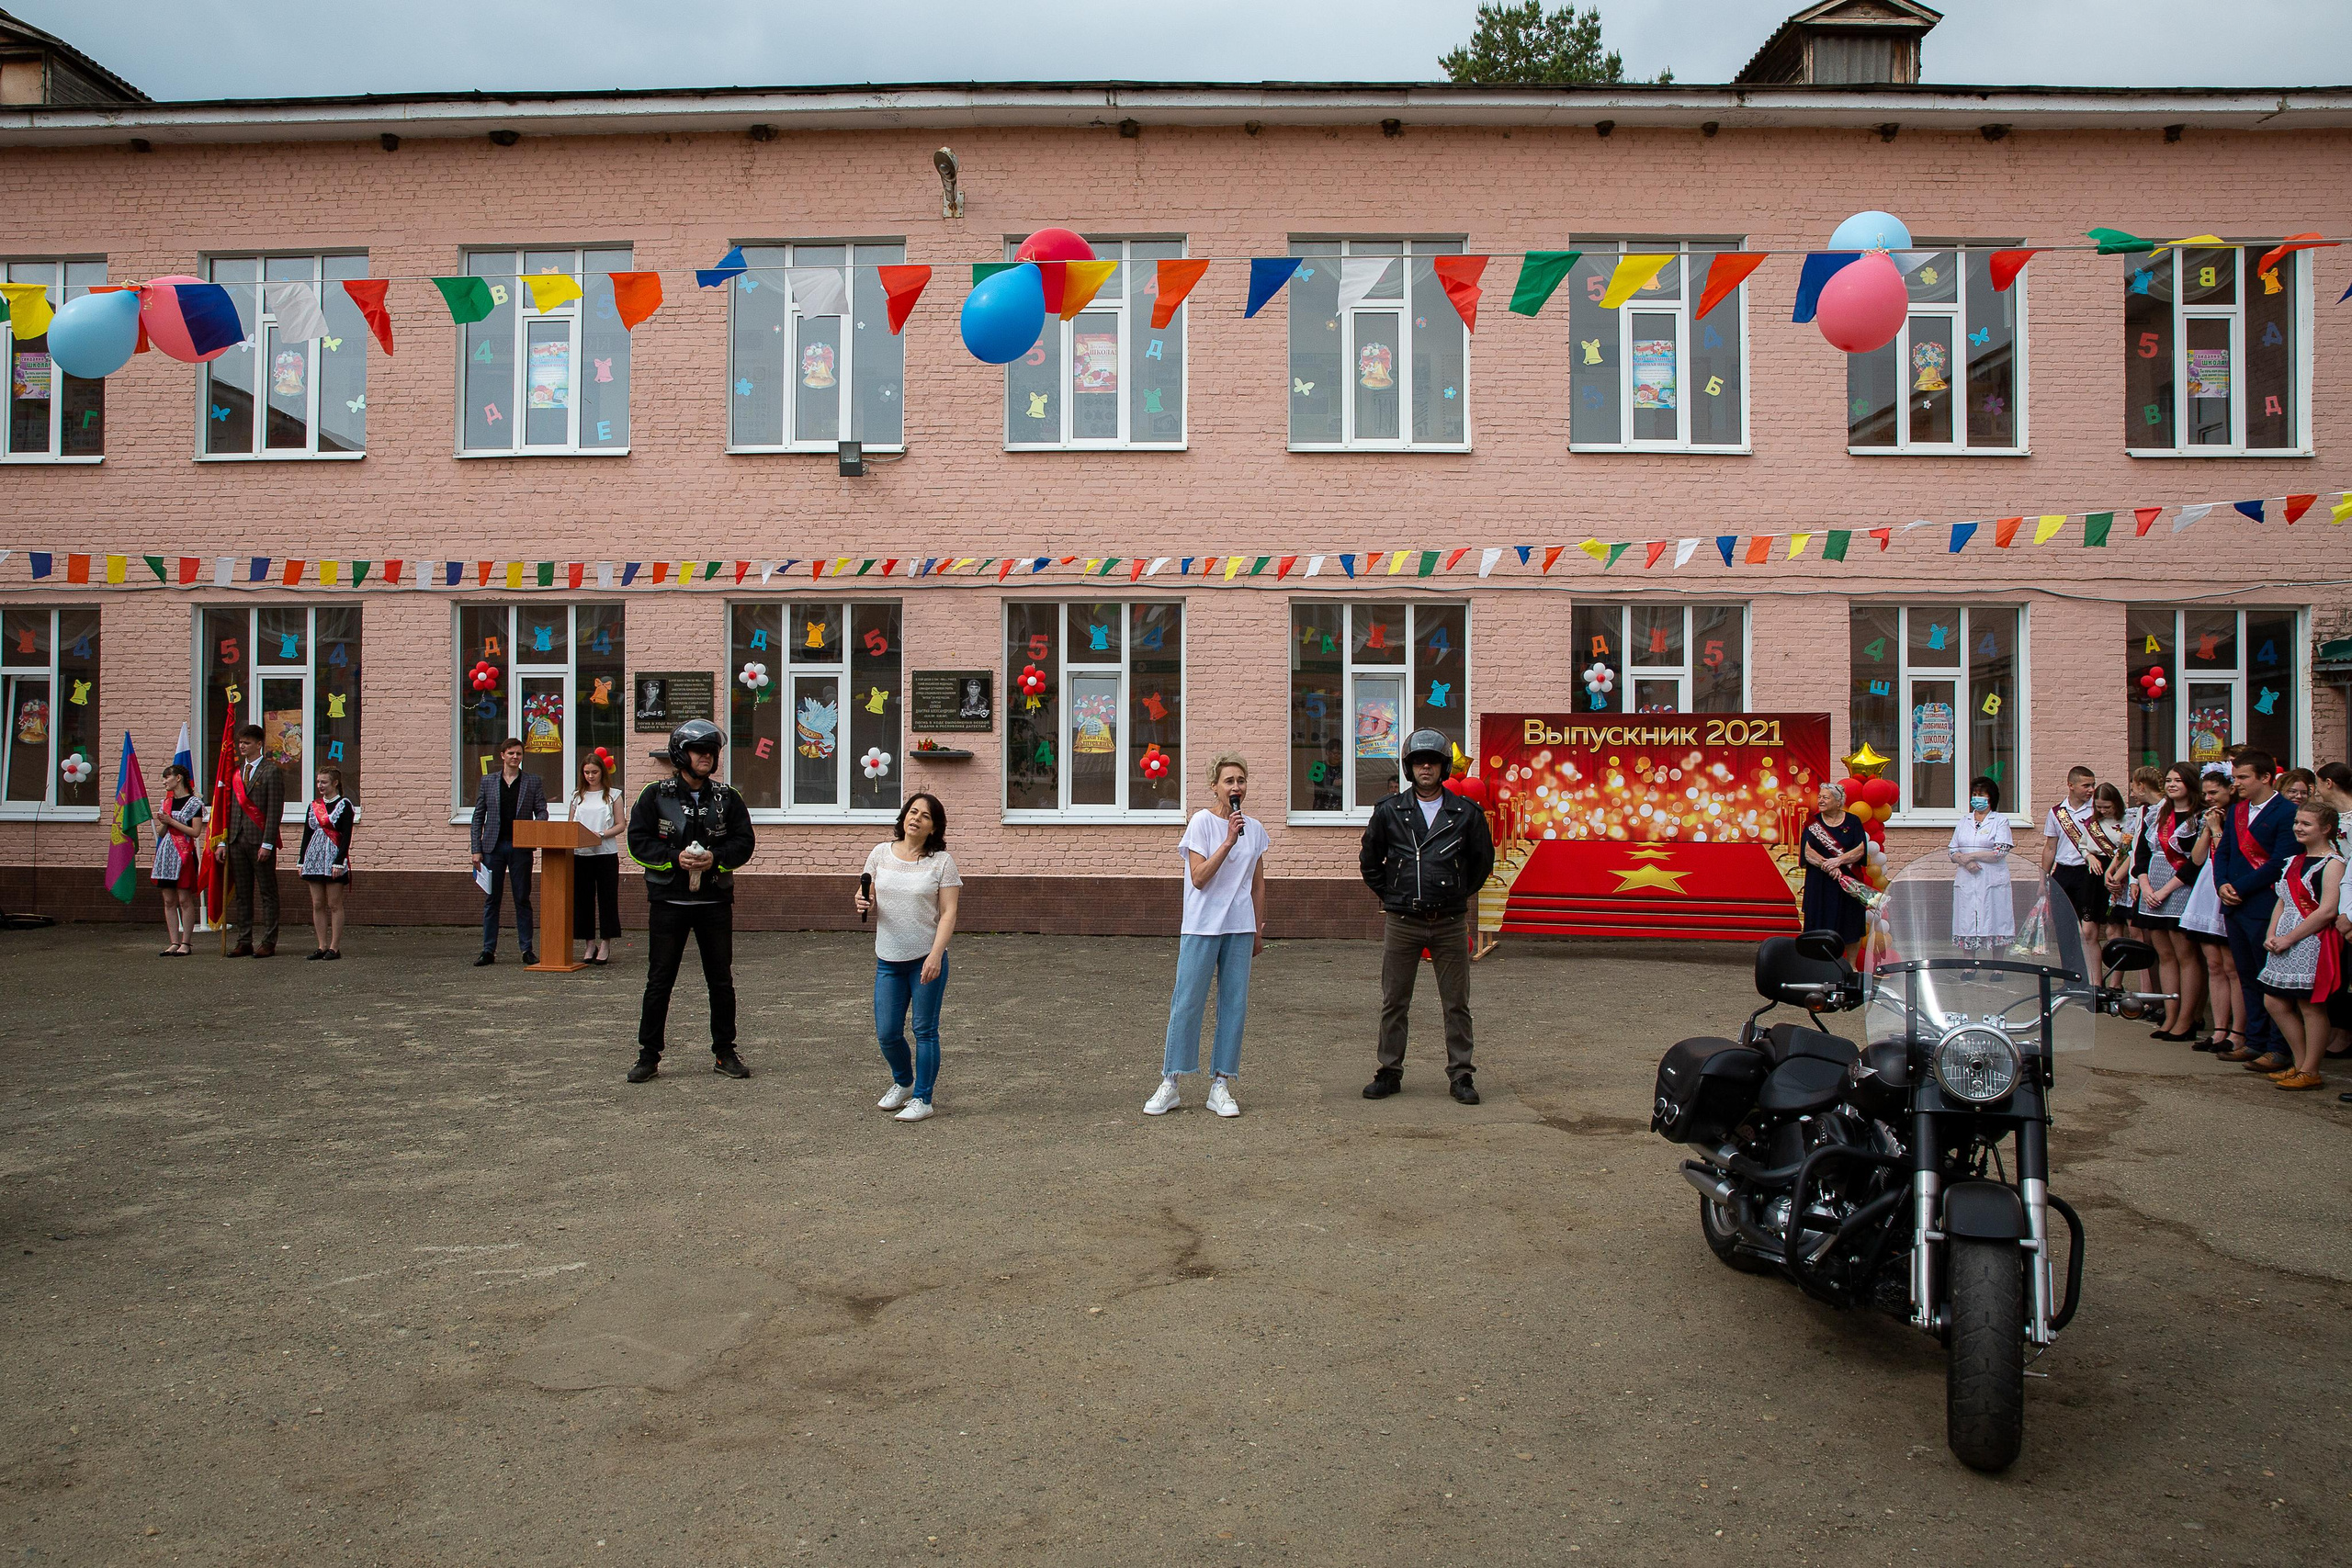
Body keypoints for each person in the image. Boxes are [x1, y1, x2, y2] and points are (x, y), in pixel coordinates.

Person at [1359, 729, 1494, 1104]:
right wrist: (1392, 895)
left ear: (1443, 766)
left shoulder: (1465, 813)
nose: (1425, 768)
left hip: (1450, 922)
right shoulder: (1389, 811)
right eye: (1419, 762)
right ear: (1409, 767)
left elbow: (1482, 863)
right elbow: (1370, 861)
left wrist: (1454, 894)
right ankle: (1389, 1071)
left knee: (1456, 1002)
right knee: (1394, 1000)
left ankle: (1462, 1075)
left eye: (1432, 762)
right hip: (1403, 923)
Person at [626, 719, 755, 1082]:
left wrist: (716, 858)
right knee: (659, 980)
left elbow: (744, 842)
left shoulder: (728, 797)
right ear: (681, 754)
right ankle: (648, 1056)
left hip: (714, 903)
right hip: (668, 902)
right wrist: (672, 857)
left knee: (721, 981)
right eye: (700, 750)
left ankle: (724, 1053)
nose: (708, 756)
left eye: (712, 751)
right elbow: (637, 842)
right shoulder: (655, 794)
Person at [1148, 753, 1267, 1119]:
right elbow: (1199, 878)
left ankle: (1221, 1084)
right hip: (1201, 926)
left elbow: (1258, 886)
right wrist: (1228, 841)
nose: (1236, 788)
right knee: (1187, 1002)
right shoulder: (1201, 822)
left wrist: (1259, 929)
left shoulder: (1256, 829)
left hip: (1239, 927)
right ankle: (1171, 1082)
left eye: (1241, 781)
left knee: (1234, 1005)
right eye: (1229, 781)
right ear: (1214, 785)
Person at [856, 792, 962, 1122]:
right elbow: (866, 892)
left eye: (925, 816)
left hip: (925, 959)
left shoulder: (942, 862)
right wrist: (862, 901)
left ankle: (923, 1099)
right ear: (904, 817)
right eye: (912, 812)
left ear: (934, 827)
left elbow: (948, 913)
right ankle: (903, 1082)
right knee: (887, 1032)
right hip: (888, 959)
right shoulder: (879, 853)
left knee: (924, 1030)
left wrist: (935, 955)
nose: (916, 818)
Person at [2213, 750, 2301, 1073]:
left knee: (2271, 979)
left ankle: (2278, 1048)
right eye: (2234, 778)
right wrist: (2222, 883)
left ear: (2265, 777)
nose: (2236, 784)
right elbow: (2222, 852)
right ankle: (2255, 1041)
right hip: (2235, 905)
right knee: (2248, 977)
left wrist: (2241, 887)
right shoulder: (2236, 810)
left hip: (2264, 905)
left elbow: (2281, 862)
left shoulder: (2286, 812)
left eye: (2242, 778)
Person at [2256, 803, 2342, 1091]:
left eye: (2306, 823)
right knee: (2274, 1002)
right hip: (2283, 939)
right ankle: (2300, 1063)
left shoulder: (2334, 863)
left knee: (2310, 1006)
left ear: (2326, 828)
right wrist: (2272, 933)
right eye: (2297, 822)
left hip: (2311, 940)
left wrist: (2290, 938)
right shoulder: (2293, 860)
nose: (2298, 827)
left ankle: (2311, 1070)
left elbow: (2327, 910)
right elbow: (2282, 901)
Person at [2133, 761, 2207, 1043]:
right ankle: (2170, 1015)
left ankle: (2186, 1019)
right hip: (2153, 887)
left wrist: (2165, 890)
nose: (2173, 784)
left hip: (2180, 889)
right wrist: (2146, 884)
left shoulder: (2199, 816)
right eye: (2169, 780)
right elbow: (2141, 852)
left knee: (2185, 955)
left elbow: (2194, 864)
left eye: (2178, 780)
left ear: (2190, 784)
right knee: (2164, 955)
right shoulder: (2156, 813)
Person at [2179, 766, 2242, 1055]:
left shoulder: (2240, 817)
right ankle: (2218, 1030)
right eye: (2205, 793)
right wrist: (2207, 827)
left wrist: (2217, 829)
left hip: (2227, 885)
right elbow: (2197, 857)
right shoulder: (2209, 817)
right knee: (2214, 965)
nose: (2208, 798)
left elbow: (2227, 854)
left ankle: (2237, 1032)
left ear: (2231, 789)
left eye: (2214, 792)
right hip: (2206, 889)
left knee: (2232, 967)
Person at [469, 737, 547, 966]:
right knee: (492, 899)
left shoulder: (532, 782)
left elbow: (542, 810)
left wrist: (536, 827)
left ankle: (527, 949)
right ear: (502, 755)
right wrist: (476, 849)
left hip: (520, 847)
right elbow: (477, 817)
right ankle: (488, 950)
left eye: (519, 754)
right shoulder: (488, 781)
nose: (515, 757)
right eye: (511, 753)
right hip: (493, 847)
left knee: (522, 898)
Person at [216, 723, 285, 957]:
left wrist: (268, 843)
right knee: (243, 893)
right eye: (240, 743)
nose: (242, 746)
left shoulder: (271, 771)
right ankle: (244, 940)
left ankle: (268, 941)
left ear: (259, 744)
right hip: (236, 838)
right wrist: (224, 841)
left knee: (267, 892)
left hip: (259, 840)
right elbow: (227, 808)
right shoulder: (234, 772)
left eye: (246, 742)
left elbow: (275, 810)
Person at [2039, 766, 2109, 961]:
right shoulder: (2057, 812)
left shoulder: (2097, 809)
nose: (2091, 789)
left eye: (2093, 785)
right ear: (2071, 785)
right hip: (2062, 874)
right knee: (2063, 927)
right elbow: (2050, 847)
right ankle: (2071, 976)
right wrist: (2042, 879)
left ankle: (2091, 978)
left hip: (2088, 873)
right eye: (2086, 785)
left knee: (2088, 930)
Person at [1800, 782, 1871, 961]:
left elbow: (1860, 849)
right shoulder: (1812, 822)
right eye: (1820, 797)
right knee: (1818, 920)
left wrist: (1838, 861)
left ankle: (1851, 965)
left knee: (1851, 922)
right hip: (1820, 882)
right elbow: (1808, 852)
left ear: (1838, 802)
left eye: (1826, 797)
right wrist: (1828, 865)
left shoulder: (1853, 821)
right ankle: (1816, 963)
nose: (1821, 801)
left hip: (1848, 881)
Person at [1947, 775, 2014, 949]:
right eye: (1975, 794)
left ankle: (1997, 966)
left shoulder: (2000, 821)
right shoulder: (1964, 821)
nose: (1977, 798)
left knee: (1996, 918)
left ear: (1991, 797)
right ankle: (1969, 965)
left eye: (1981, 794)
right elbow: (1953, 850)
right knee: (1967, 920)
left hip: (1991, 878)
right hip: (1967, 877)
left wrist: (1972, 856)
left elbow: (2000, 851)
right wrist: (1967, 862)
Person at [571, 754, 624, 965]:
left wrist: (602, 834)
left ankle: (606, 943)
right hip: (581, 855)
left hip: (605, 854)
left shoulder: (613, 795)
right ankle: (589, 943)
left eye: (595, 772)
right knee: (583, 900)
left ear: (602, 771)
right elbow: (570, 825)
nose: (591, 776)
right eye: (587, 772)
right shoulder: (577, 796)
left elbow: (621, 824)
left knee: (607, 899)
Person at [299, 765, 356, 960]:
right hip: (314, 858)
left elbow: (346, 836)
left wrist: (340, 861)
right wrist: (301, 860)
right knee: (317, 903)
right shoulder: (313, 806)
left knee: (334, 903)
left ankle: (334, 947)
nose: (320, 786)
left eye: (324, 782)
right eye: (318, 782)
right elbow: (307, 834)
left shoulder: (344, 805)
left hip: (333, 857)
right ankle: (321, 945)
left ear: (335, 783)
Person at [151, 762, 207, 957]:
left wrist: (172, 821)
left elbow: (196, 832)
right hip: (166, 853)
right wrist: (163, 824)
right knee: (168, 899)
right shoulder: (166, 803)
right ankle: (173, 941)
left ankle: (186, 943)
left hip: (183, 854)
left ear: (178, 778)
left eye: (167, 777)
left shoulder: (194, 804)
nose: (165, 781)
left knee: (184, 899)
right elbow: (161, 833)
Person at [2093, 780, 2136, 948]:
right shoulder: (2095, 823)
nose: (2103, 811)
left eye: (2107, 807)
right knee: (2112, 931)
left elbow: (2129, 851)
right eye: (2099, 807)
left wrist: (2117, 877)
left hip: (2127, 877)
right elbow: (2085, 846)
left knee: (2134, 931)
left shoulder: (2130, 819)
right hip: (2110, 877)